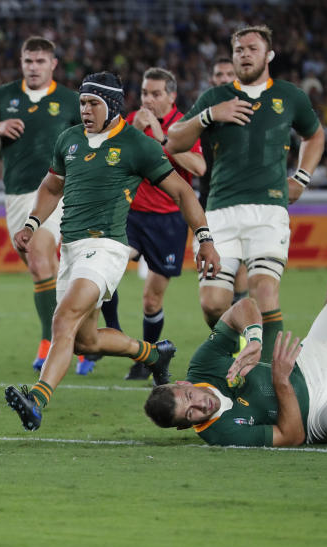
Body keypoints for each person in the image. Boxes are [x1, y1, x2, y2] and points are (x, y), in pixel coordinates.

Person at [4, 72, 220, 432]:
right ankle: (153, 353)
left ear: (114, 106)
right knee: (84, 341)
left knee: (62, 320)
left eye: (93, 104)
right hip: (70, 249)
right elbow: (50, 185)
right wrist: (31, 224)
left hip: (106, 247)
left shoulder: (138, 145)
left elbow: (183, 192)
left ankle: (37, 399)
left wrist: (205, 238)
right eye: (83, 103)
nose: (85, 110)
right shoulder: (70, 139)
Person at [166, 25, 325, 362]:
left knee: (264, 291)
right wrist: (211, 115)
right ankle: (239, 344)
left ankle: (267, 378)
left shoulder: (290, 96)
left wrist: (303, 176)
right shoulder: (214, 97)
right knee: (212, 302)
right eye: (239, 49)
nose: (245, 54)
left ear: (268, 55)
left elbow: (315, 136)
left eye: (252, 48)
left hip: (268, 211)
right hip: (221, 211)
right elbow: (174, 139)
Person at [0, 36, 86, 373]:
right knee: (49, 271)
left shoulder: (70, 100)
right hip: (16, 195)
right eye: (28, 61)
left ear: (53, 64)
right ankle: (88, 339)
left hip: (58, 191)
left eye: (40, 61)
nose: (33, 67)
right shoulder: (4, 97)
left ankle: (50, 341)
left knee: (39, 260)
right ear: (21, 63)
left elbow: (95, 137)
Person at [144, 295, 327, 447]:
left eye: (189, 397)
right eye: (189, 414)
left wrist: (254, 339)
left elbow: (242, 307)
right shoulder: (222, 433)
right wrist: (281, 382)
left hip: (308, 358)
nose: (200, 405)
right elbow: (293, 436)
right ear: (184, 426)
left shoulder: (203, 366)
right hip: (316, 412)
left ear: (184, 384)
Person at [117, 68, 207, 381]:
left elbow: (199, 166)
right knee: (107, 267)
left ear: (172, 96)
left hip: (169, 220)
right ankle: (109, 336)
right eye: (145, 93)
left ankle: (151, 356)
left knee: (151, 298)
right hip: (132, 215)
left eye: (156, 94)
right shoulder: (130, 122)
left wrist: (160, 136)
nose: (149, 100)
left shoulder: (184, 126)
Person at [198, 57, 250, 306]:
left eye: (229, 74)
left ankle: (239, 322)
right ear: (212, 80)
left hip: (243, 199)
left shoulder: (250, 114)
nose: (224, 79)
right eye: (219, 75)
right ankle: (228, 319)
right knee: (215, 269)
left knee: (239, 265)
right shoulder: (201, 114)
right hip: (209, 200)